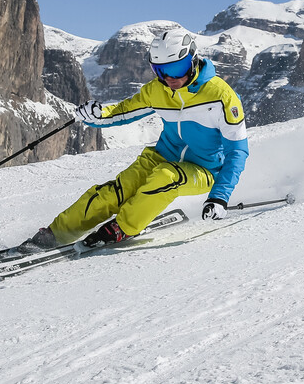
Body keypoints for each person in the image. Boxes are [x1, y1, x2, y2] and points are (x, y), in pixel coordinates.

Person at [16, 26, 249, 253]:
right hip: (161, 157)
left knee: (166, 178)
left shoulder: (221, 96)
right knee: (112, 193)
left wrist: (219, 197)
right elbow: (123, 111)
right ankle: (55, 234)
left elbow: (237, 151)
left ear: (193, 60)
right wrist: (97, 116)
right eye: (161, 71)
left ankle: (124, 228)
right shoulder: (157, 90)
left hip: (205, 170)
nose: (170, 78)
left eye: (177, 68)